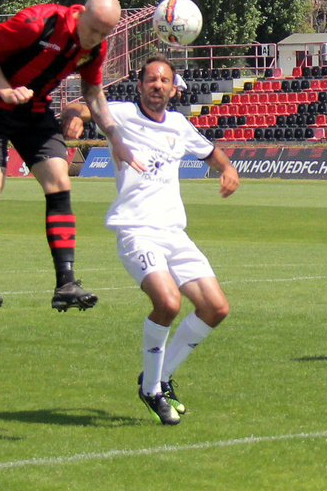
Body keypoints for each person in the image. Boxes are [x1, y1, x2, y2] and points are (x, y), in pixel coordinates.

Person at [0, 0, 141, 312]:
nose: (97, 39)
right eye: (94, 29)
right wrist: (5, 89)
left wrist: (115, 137)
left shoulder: (94, 48)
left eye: (105, 34)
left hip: (34, 112)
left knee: (59, 182)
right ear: (80, 14)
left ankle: (66, 284)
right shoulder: (38, 23)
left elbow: (92, 93)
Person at [105, 56, 240, 426]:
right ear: (140, 85)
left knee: (216, 308)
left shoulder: (179, 125)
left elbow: (211, 153)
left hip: (172, 233)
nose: (157, 85)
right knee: (167, 302)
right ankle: (150, 389)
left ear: (173, 87)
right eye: (151, 79)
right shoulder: (121, 113)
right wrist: (74, 115)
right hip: (136, 230)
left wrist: (228, 169)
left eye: (164, 80)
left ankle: (160, 378)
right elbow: (80, 104)